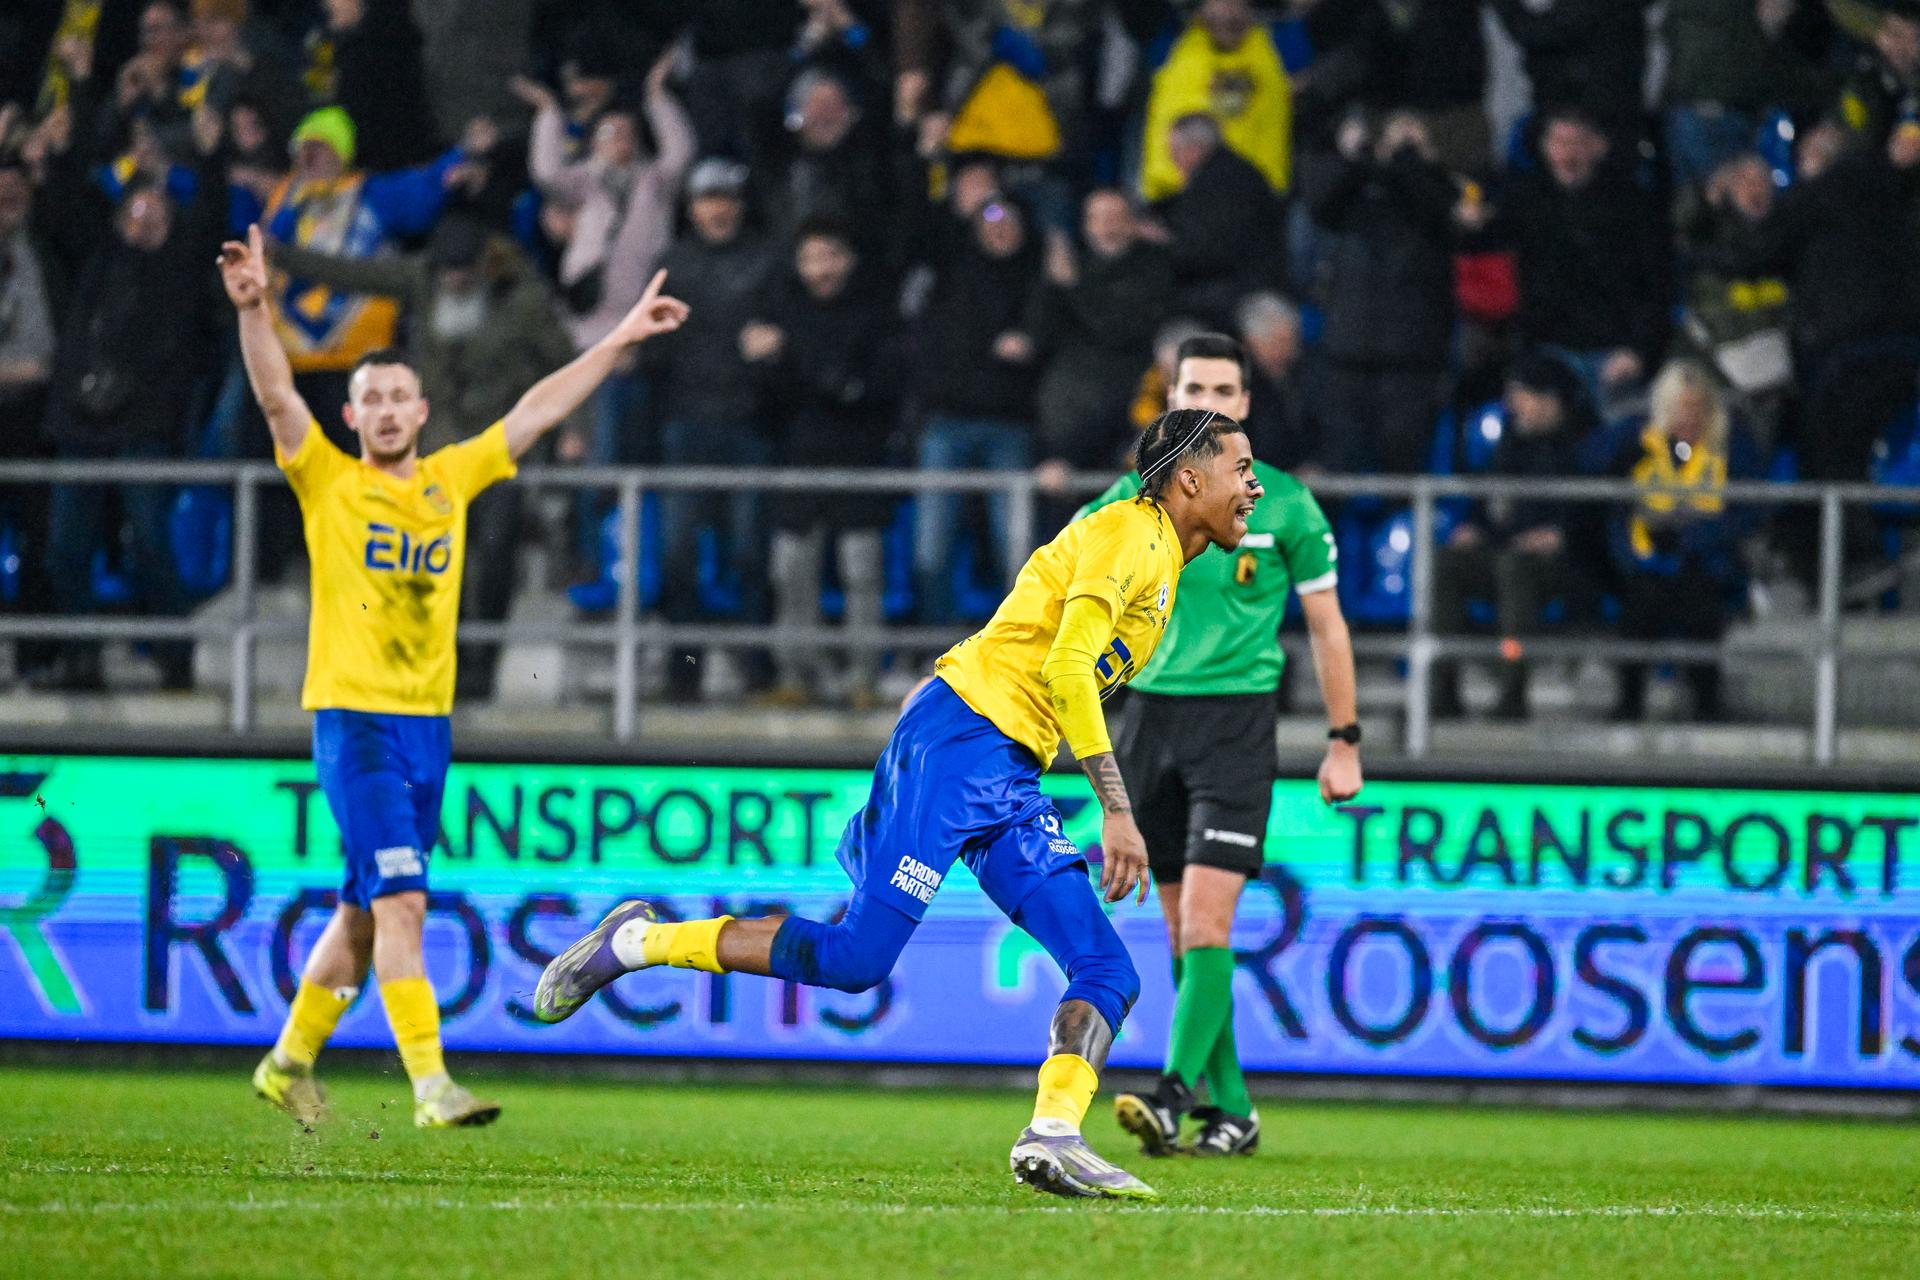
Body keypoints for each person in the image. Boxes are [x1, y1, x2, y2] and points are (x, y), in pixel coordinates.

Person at [534, 408, 1265, 1200]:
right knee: (857, 960)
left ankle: (1053, 1134)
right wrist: (1115, 807)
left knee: (1108, 967)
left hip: (1009, 769)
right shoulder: (1132, 533)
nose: (1255, 487)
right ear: (1191, 479)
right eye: (1243, 469)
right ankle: (637, 942)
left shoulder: (1160, 559)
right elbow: (1067, 668)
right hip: (963, 743)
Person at [218, 222, 688, 1128]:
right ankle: (432, 1084)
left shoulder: (449, 478)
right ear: (351, 417)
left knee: (361, 916)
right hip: (354, 719)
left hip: (428, 729)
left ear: (423, 411)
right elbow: (279, 397)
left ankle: (286, 1063)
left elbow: (538, 409)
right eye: (372, 399)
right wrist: (255, 310)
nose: (389, 410)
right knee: (401, 902)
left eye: (402, 396)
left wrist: (620, 337)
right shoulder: (327, 481)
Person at [1086, 335, 1362, 1158]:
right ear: (1170, 397)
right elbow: (1056, 580)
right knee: (1183, 938)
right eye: (1193, 386)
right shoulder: (1127, 500)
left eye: (1225, 388)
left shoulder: (1283, 506)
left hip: (1237, 726)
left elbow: (1327, 626)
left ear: (1246, 403)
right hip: (1147, 724)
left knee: (1206, 924)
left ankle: (1172, 1098)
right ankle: (1233, 1110)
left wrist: (1343, 740)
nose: (1209, 398)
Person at [1590, 359, 1761, 721]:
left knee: (1700, 603)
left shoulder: (1731, 447)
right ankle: (1630, 700)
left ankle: (1707, 703)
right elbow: (1593, 467)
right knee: (1640, 604)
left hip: (1707, 560)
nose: (1689, 416)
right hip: (1646, 562)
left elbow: (1748, 510)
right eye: (1680, 407)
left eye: (1696, 407)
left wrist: (1692, 538)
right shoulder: (1639, 443)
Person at [1431, 352, 1591, 720]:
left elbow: (1589, 519)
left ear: (1550, 401)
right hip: (1505, 553)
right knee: (1449, 563)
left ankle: (1513, 690)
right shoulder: (1511, 444)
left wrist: (1561, 535)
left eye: (1522, 394)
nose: (1512, 404)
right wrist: (1475, 529)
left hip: (1560, 567)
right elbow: (1492, 505)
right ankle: (1444, 687)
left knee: (1514, 567)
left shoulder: (1581, 448)